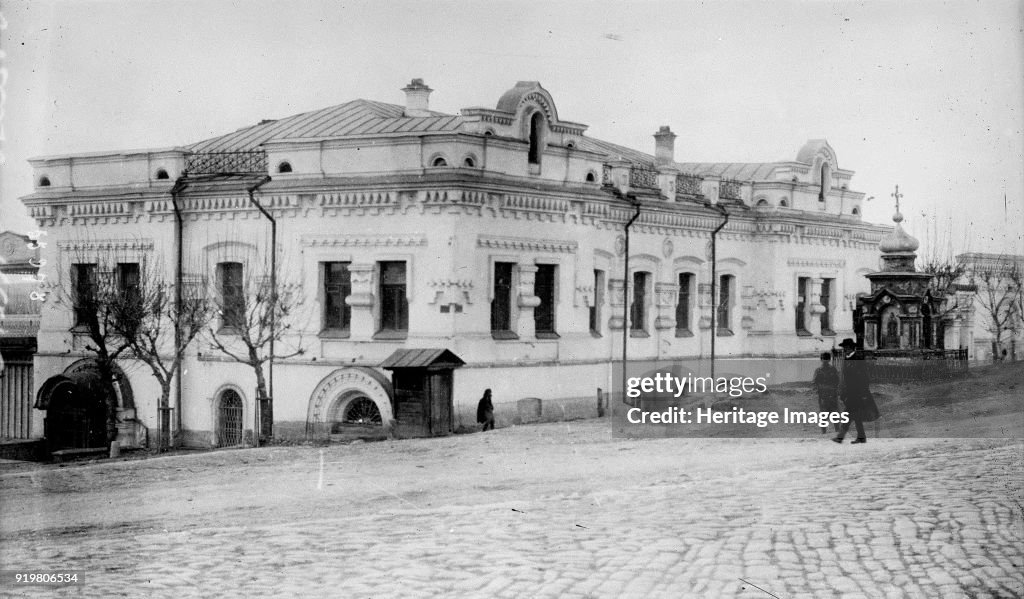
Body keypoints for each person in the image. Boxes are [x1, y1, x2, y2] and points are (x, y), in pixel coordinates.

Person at [834, 338, 880, 444]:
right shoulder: (846, 359)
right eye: (844, 348)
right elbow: (844, 377)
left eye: (846, 348)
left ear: (851, 348)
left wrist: (863, 393)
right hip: (850, 393)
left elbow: (864, 377)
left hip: (858, 393)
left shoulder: (858, 359)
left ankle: (841, 437)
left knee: (849, 414)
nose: (844, 349)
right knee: (854, 415)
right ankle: (859, 437)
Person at [811, 351, 841, 434]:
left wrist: (836, 390)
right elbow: (814, 382)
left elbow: (838, 381)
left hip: (832, 395)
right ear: (821, 360)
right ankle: (824, 432)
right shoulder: (818, 370)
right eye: (824, 359)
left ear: (829, 360)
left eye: (827, 359)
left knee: (835, 413)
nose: (825, 361)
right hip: (823, 396)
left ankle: (837, 430)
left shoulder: (833, 369)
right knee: (823, 414)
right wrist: (817, 391)